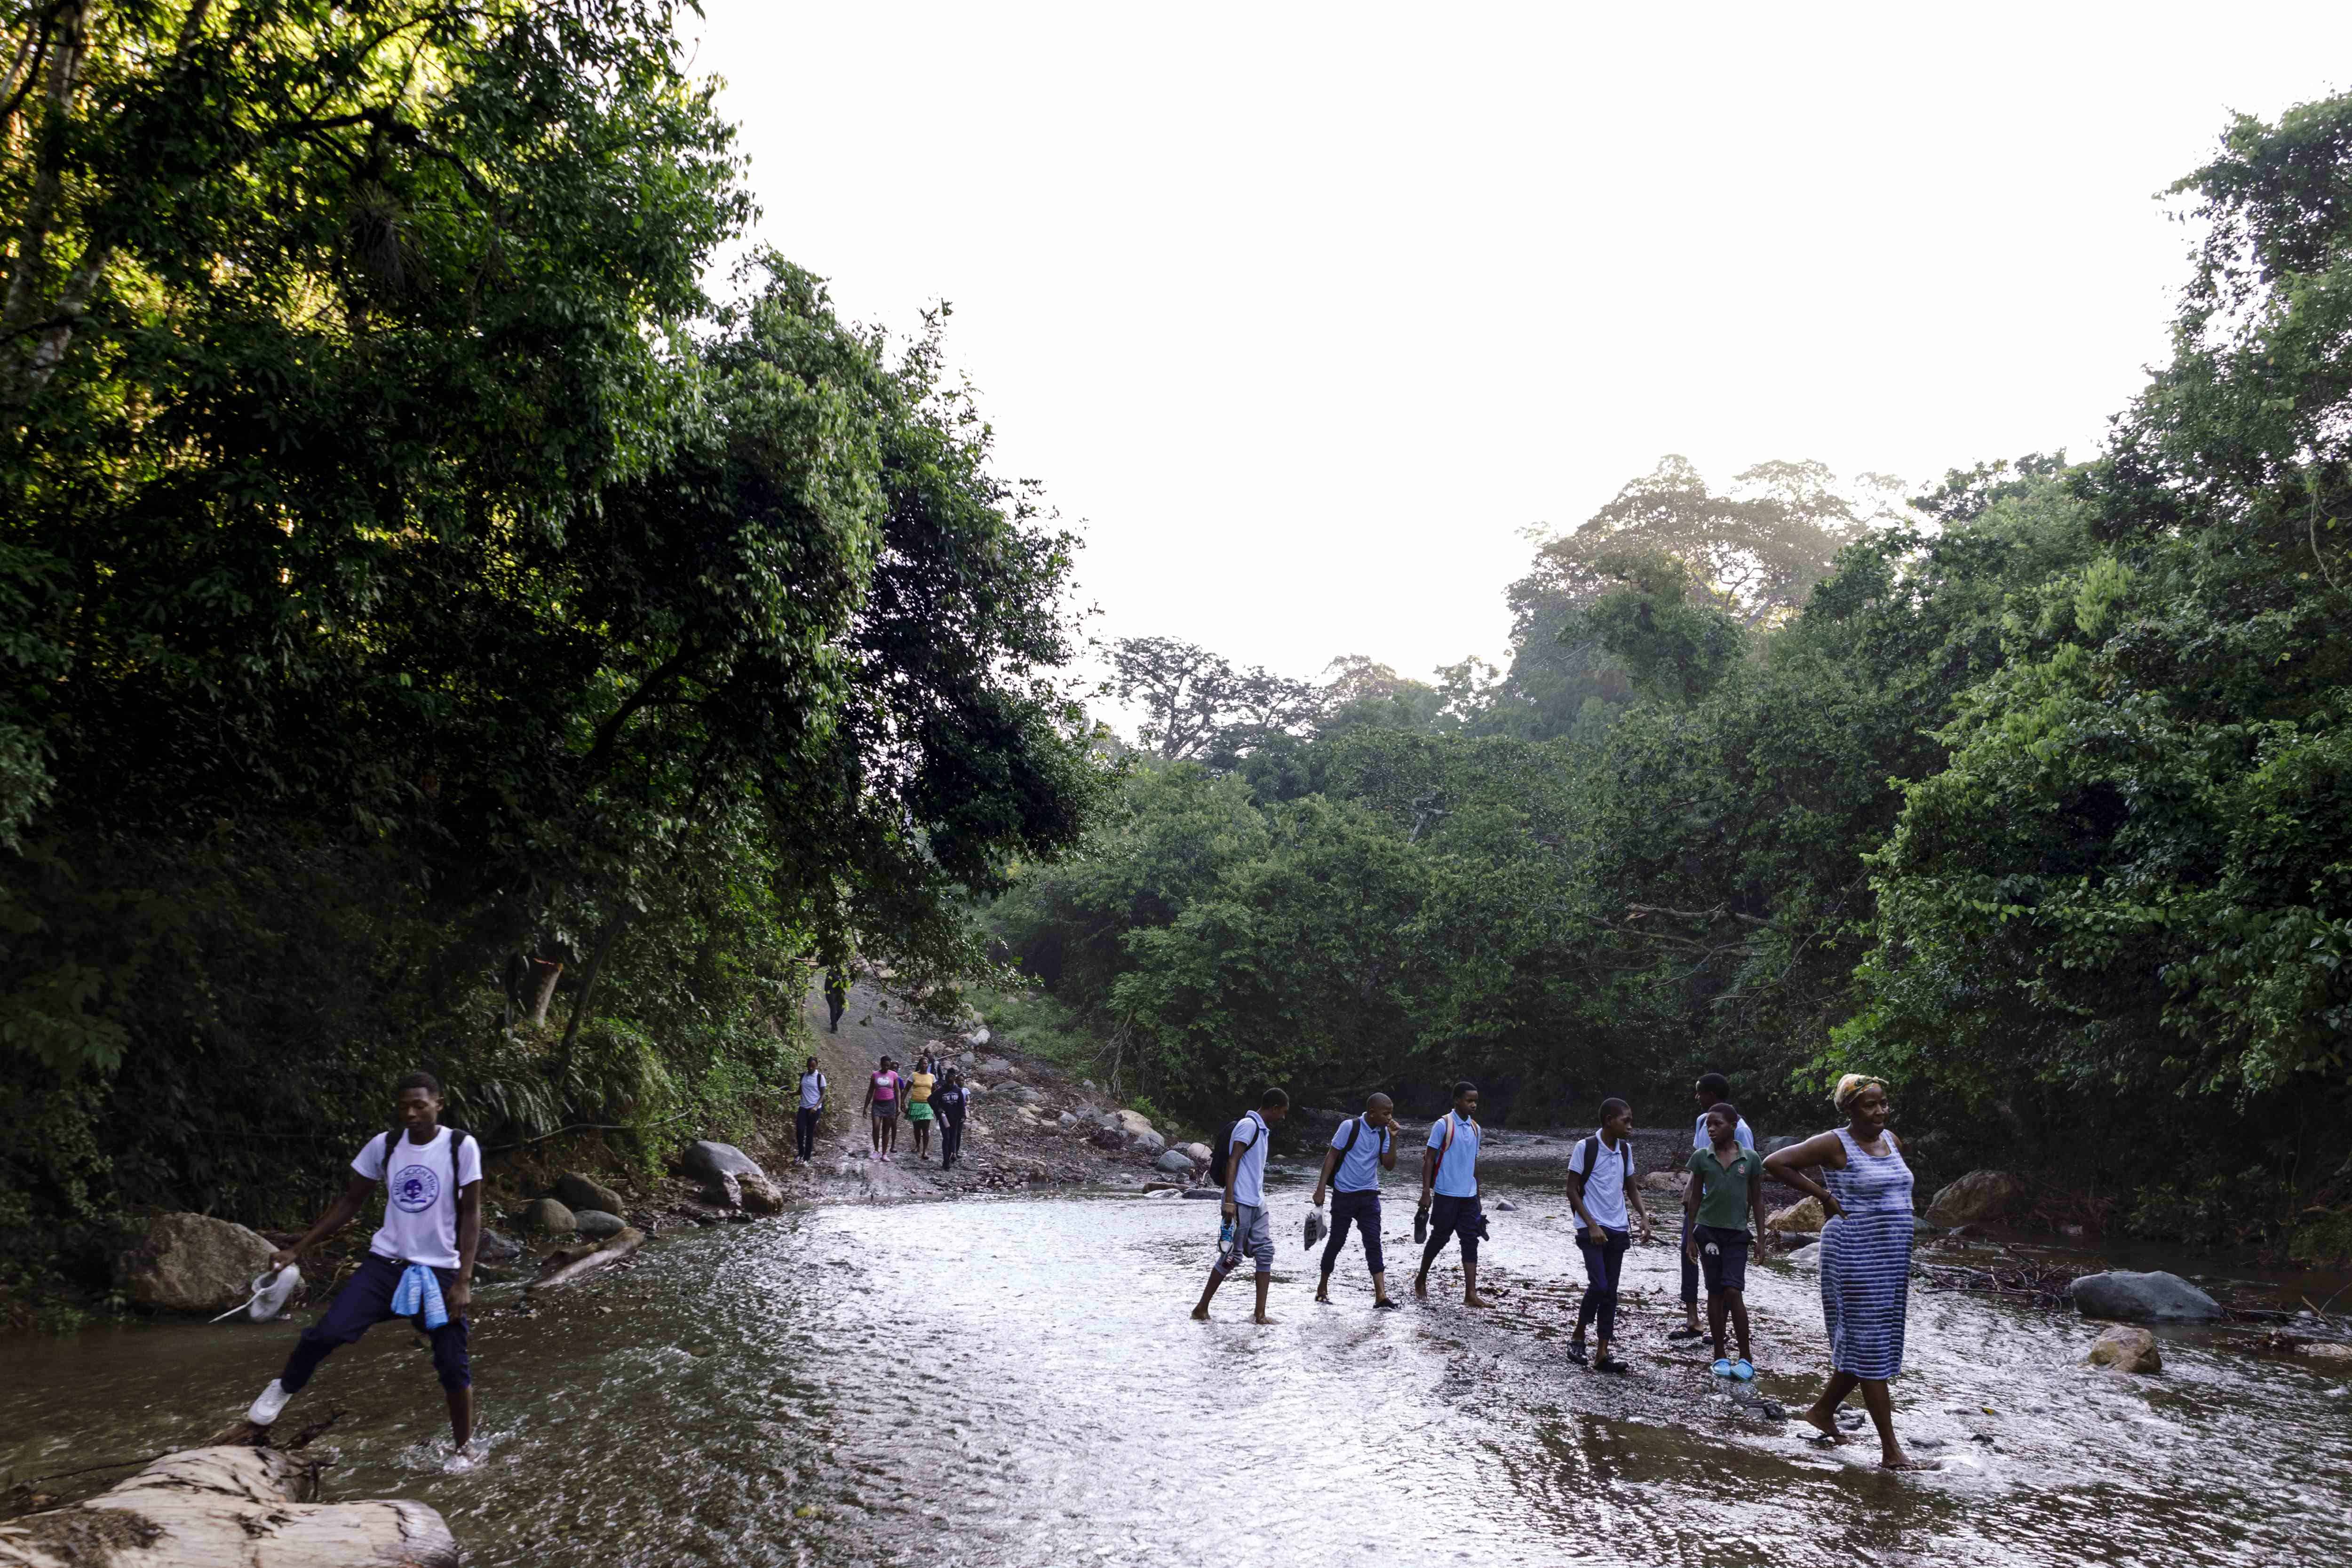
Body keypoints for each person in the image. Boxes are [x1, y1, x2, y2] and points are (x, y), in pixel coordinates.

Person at [240, 1071, 483, 1468]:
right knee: (328, 1331)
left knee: (453, 1364)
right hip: (385, 1267)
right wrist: (298, 1248)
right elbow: (349, 1203)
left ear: (439, 1102)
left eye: (420, 1104)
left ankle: (463, 1448)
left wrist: (464, 1280)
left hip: (439, 1272)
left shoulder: (460, 1146)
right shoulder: (384, 1145)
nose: (411, 1113)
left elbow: (472, 1214)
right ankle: (284, 1386)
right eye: (404, 1105)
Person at [1764, 1074, 1936, 1471]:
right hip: (1854, 1254)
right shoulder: (1835, 1143)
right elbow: (1775, 1162)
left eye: (1884, 1103)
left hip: (1890, 1258)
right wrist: (1824, 1195)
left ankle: (1823, 1411)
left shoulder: (1892, 1140)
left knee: (1870, 1341)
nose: (1880, 1111)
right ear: (1850, 1109)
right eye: (1870, 1105)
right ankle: (1891, 1449)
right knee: (1871, 1346)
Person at [1564, 1096, 1652, 1371]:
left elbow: (1632, 1188)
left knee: (1611, 1291)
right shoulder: (1586, 1148)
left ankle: (1602, 1352)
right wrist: (1591, 1225)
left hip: (1618, 1227)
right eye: (1626, 1121)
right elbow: (1571, 1189)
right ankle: (1579, 1333)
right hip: (1589, 1228)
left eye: (1631, 1121)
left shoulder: (1625, 1150)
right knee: (1600, 1285)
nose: (1630, 1126)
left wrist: (1644, 1217)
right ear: (1608, 1121)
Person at [1685, 1100, 1770, 1379]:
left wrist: (1761, 1237)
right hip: (1707, 1230)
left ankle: (1745, 1356)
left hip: (1736, 1234)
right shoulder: (1701, 1157)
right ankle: (1719, 1355)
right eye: (1708, 1124)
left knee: (1734, 1291)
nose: (1711, 1129)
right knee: (1715, 1291)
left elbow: (1757, 1199)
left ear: (1733, 1127)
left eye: (1717, 1124)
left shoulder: (1751, 1159)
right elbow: (1695, 1197)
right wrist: (1690, 1238)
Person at [1191, 1087, 1289, 1325]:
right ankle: (1201, 1308)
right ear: (1274, 1108)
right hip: (1240, 1202)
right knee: (1231, 1257)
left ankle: (1260, 1315)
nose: (1283, 1118)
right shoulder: (1249, 1126)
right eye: (1282, 1113)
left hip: (1257, 1202)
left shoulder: (1263, 1131)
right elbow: (1233, 1161)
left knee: (1265, 1253)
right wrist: (1229, 1201)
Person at [1672, 1072, 1754, 1343]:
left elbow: (1746, 1171)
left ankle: (1719, 1325)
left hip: (1725, 1212)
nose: (1697, 1097)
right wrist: (1687, 1193)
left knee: (1721, 1273)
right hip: (1700, 1204)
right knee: (1689, 1255)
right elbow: (1699, 1164)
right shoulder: (1701, 1122)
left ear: (1713, 1095)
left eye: (1700, 1092)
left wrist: (1743, 1215)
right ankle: (1693, 1319)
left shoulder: (1741, 1129)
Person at [1310, 1092, 1400, 1308]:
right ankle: (1322, 1287)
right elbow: (1332, 1155)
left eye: (1391, 1113)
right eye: (1386, 1113)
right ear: (1372, 1113)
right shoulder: (1349, 1127)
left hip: (1370, 1195)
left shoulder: (1384, 1133)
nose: (1390, 1118)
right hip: (1344, 1195)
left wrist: (1394, 1137)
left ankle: (1381, 1295)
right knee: (1337, 1241)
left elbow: (1389, 1165)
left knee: (1373, 1242)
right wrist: (1321, 1188)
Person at [1414, 1081, 1490, 1308]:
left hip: (1469, 1196)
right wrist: (1426, 1192)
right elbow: (1428, 1158)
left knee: (1470, 1240)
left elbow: (1474, 1162)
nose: (1474, 1105)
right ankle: (1421, 1278)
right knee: (1440, 1237)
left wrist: (1478, 1194)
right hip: (1446, 1193)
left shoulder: (1476, 1129)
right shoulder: (1443, 1125)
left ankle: (1471, 1294)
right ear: (1457, 1100)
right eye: (1470, 1100)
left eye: (1476, 1101)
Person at [866, 1056, 904, 1161]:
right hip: (877, 1104)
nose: (886, 1068)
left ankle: (884, 1154)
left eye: (888, 1066)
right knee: (876, 1127)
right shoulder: (875, 1075)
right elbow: (870, 1092)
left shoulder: (894, 1075)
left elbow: (897, 1091)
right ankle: (876, 1151)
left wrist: (899, 1106)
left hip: (890, 1104)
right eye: (884, 1065)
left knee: (886, 1130)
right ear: (881, 1064)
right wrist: (865, 1107)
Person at [935, 1067, 970, 1170]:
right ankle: (946, 1161)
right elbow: (931, 1099)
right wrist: (938, 1109)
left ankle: (951, 1156)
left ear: (954, 1081)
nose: (950, 1085)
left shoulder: (958, 1091)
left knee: (953, 1138)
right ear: (946, 1081)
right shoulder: (941, 1091)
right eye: (949, 1082)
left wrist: (963, 1115)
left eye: (952, 1082)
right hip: (944, 1118)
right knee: (946, 1138)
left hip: (955, 1119)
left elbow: (961, 1104)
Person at [906, 1056, 937, 1160]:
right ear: (919, 1065)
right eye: (923, 1064)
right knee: (917, 1128)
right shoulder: (914, 1075)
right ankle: (918, 1146)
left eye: (926, 1063)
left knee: (926, 1128)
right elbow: (906, 1090)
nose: (924, 1065)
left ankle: (925, 1151)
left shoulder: (932, 1077)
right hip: (915, 1104)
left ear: (928, 1065)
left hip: (927, 1105)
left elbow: (936, 1092)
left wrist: (937, 1105)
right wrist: (902, 1103)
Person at [824, 966, 849, 1033]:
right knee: (834, 1009)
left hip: (839, 993)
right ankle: (834, 1027)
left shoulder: (840, 972)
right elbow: (829, 983)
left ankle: (834, 1022)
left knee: (842, 1009)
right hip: (831, 992)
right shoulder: (830, 972)